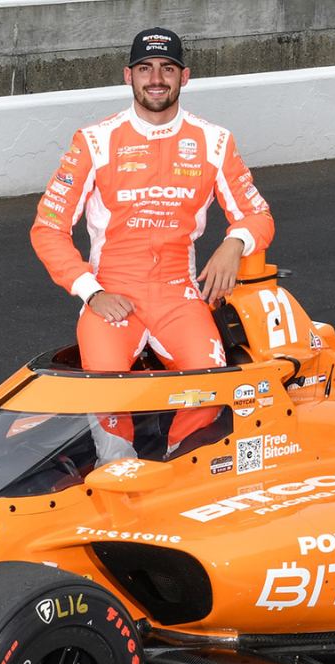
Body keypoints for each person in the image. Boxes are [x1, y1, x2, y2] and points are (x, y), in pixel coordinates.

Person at [30, 27, 274, 460]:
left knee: (211, 378)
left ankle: (181, 465)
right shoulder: (93, 141)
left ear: (185, 77)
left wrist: (234, 243)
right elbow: (47, 227)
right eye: (145, 68)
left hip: (178, 293)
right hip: (112, 292)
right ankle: (118, 471)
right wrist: (92, 292)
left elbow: (258, 215)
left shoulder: (215, 141)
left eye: (167, 68)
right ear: (129, 76)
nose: (156, 78)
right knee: (105, 389)